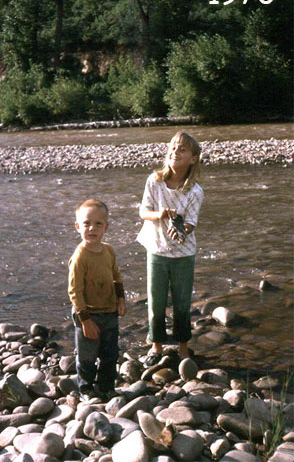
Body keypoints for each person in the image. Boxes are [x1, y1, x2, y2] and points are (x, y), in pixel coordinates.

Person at [137, 131, 204, 366]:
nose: (175, 151)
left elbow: (191, 223)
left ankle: (183, 348)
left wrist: (182, 230)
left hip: (183, 254)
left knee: (182, 303)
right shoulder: (154, 181)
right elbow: (143, 212)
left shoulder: (195, 191)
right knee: (156, 302)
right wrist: (161, 214)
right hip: (156, 250)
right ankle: (156, 346)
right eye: (173, 147)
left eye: (182, 149)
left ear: (193, 159)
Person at [68, 199, 126, 401]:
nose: (92, 228)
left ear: (106, 227)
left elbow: (116, 276)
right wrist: (85, 320)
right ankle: (86, 389)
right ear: (78, 227)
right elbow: (74, 291)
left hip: (109, 311)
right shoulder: (79, 257)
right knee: (87, 356)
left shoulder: (108, 250)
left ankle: (106, 387)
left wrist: (121, 299)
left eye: (98, 224)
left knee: (110, 353)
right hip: (88, 313)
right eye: (86, 223)